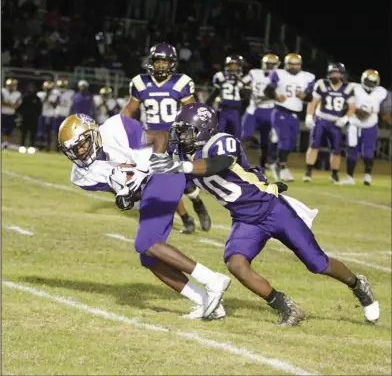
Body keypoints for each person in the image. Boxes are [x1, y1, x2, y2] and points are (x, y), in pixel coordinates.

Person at [148, 102, 380, 326]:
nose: (182, 138)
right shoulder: (186, 159)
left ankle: (357, 284)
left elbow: (219, 164)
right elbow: (170, 184)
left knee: (318, 264)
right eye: (180, 132)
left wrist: (180, 167)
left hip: (273, 209)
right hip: (246, 220)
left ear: (204, 130)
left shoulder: (222, 141)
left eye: (188, 132)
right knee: (237, 264)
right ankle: (287, 307)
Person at [58, 112, 230, 320]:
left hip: (164, 170)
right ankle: (205, 301)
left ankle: (212, 280)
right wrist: (125, 196)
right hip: (149, 188)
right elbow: (128, 190)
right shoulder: (81, 175)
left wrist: (146, 169)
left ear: (93, 133)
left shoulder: (116, 129)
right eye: (73, 150)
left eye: (83, 144)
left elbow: (160, 137)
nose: (81, 152)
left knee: (147, 243)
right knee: (149, 258)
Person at [122, 42, 211, 234]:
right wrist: (119, 126)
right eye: (158, 61)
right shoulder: (140, 82)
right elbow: (130, 109)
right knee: (163, 183)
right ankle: (186, 219)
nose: (161, 65)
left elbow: (191, 110)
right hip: (153, 139)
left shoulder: (181, 82)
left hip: (175, 138)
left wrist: (192, 135)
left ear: (172, 63)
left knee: (185, 184)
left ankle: (198, 203)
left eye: (165, 61)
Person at [264, 53, 315, 182]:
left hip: (295, 114)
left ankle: (275, 162)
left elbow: (310, 97)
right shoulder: (278, 74)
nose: (293, 67)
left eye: (296, 64)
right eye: (291, 64)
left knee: (292, 142)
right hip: (281, 111)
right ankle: (282, 167)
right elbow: (267, 90)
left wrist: (304, 96)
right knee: (284, 140)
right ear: (286, 64)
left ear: (300, 65)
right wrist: (276, 96)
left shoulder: (307, 77)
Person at [303, 63, 356, 183]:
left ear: (342, 74)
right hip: (321, 119)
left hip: (335, 122)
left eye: (337, 73)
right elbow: (313, 102)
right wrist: (309, 116)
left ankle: (334, 175)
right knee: (314, 146)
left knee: (336, 150)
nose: (334, 75)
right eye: (332, 73)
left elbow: (352, 107)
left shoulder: (348, 88)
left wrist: (345, 118)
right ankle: (308, 172)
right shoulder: (322, 84)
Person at [340, 69, 391, 186]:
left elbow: (384, 109)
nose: (370, 84)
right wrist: (357, 110)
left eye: (373, 82)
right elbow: (344, 102)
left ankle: (367, 175)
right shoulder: (354, 88)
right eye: (368, 81)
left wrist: (387, 119)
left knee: (368, 151)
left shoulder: (381, 92)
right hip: (354, 124)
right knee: (351, 150)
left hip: (370, 125)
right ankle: (350, 177)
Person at [241, 53, 280, 173]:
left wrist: (268, 97)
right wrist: (248, 92)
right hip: (253, 109)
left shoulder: (280, 76)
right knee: (244, 136)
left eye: (272, 65)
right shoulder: (254, 73)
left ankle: (262, 166)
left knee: (265, 141)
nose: (269, 67)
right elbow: (242, 83)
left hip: (269, 109)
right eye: (268, 64)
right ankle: (238, 163)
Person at [205, 54, 252, 140]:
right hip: (223, 110)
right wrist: (206, 106)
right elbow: (214, 93)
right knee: (219, 135)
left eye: (235, 65)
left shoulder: (245, 78)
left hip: (237, 111)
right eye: (231, 65)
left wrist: (240, 83)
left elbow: (247, 97)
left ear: (240, 66)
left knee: (237, 136)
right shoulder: (220, 76)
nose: (233, 67)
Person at [18, 82, 42, 148]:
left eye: (32, 87)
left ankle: (32, 146)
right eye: (30, 87)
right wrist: (21, 115)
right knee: (24, 133)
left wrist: (37, 115)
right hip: (25, 118)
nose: (31, 89)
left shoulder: (37, 99)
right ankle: (22, 145)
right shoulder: (25, 97)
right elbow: (21, 107)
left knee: (33, 133)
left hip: (34, 118)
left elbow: (40, 109)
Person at [1, 78, 22, 148]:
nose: (11, 87)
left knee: (9, 130)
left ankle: (6, 143)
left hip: (11, 114)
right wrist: (11, 105)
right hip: (2, 113)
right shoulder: (2, 91)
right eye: (10, 85)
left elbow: (16, 106)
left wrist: (6, 104)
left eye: (13, 85)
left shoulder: (18, 94)